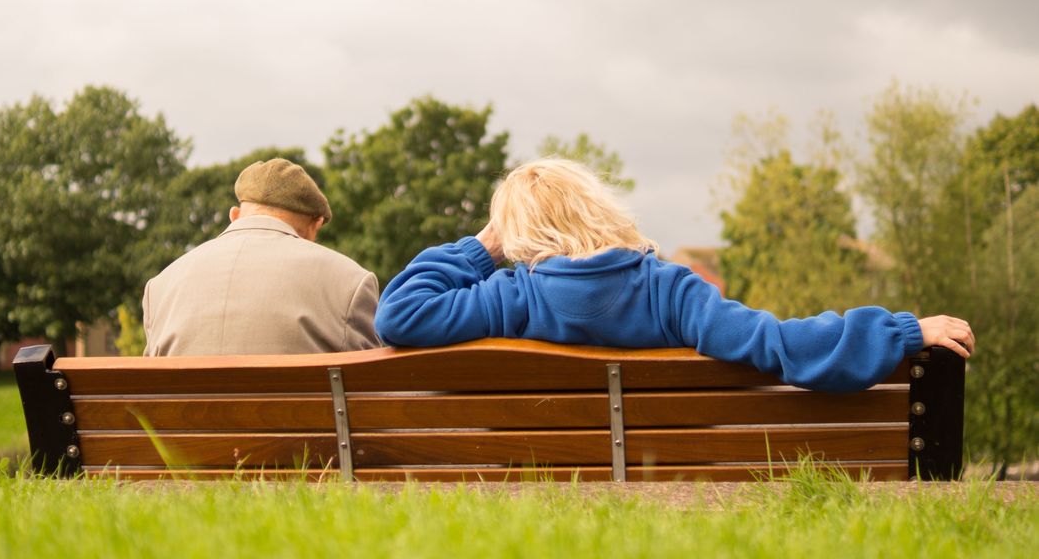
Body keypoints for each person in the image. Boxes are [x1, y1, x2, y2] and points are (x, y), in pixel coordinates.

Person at [374, 158, 974, 392]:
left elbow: (398, 314)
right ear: (598, 209)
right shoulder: (670, 290)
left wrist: (483, 248)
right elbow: (777, 343)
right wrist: (900, 332)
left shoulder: (509, 296)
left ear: (519, 235)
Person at [143, 158, 380, 356]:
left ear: (234, 215)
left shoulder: (160, 286)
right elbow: (370, 390)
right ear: (315, 224)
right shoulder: (350, 281)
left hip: (181, 415)